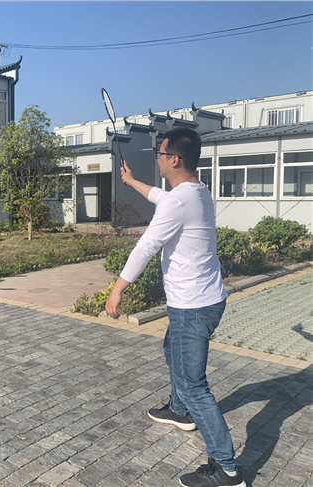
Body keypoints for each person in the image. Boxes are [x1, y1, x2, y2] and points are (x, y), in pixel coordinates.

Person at [105, 128, 245, 487]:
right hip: (206, 299)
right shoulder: (196, 191)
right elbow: (161, 197)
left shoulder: (178, 200)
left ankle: (227, 469)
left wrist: (117, 289)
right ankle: (179, 411)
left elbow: (146, 246)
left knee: (194, 385)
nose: (157, 157)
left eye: (160, 152)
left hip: (192, 307)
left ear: (175, 159)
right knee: (172, 350)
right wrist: (131, 181)